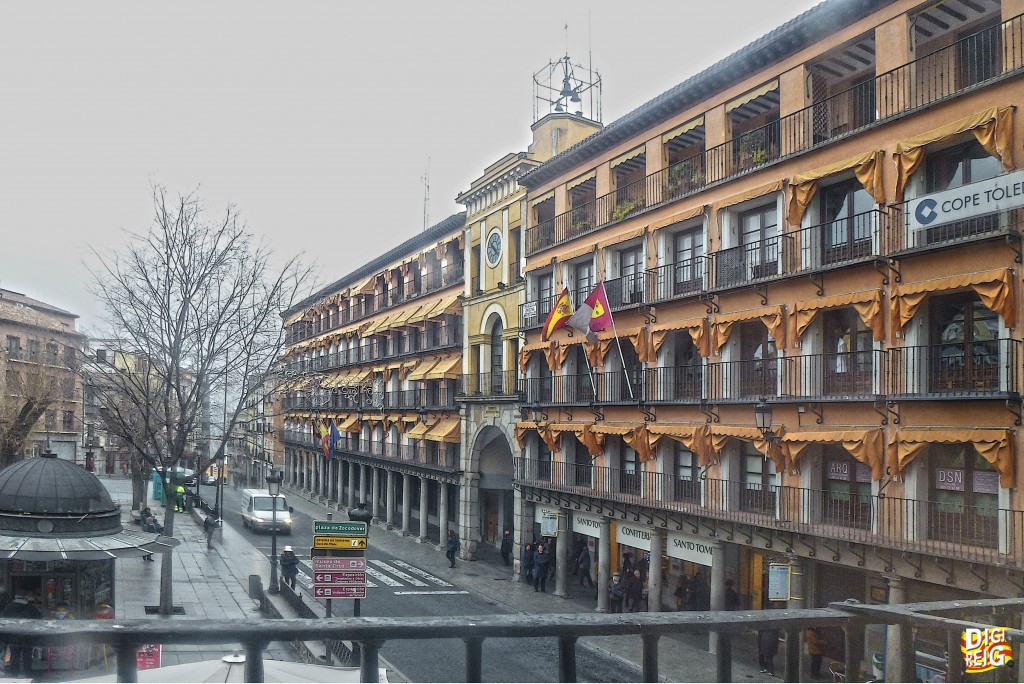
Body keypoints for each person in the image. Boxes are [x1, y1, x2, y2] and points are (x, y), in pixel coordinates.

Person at [1, 594, 42, 677]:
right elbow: (39, 619)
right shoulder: (31, 608)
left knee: (14, 654)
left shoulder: (8, 608)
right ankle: (28, 672)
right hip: (27, 635)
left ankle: (14, 672)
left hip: (13, 635)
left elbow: (3, 621)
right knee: (27, 655)